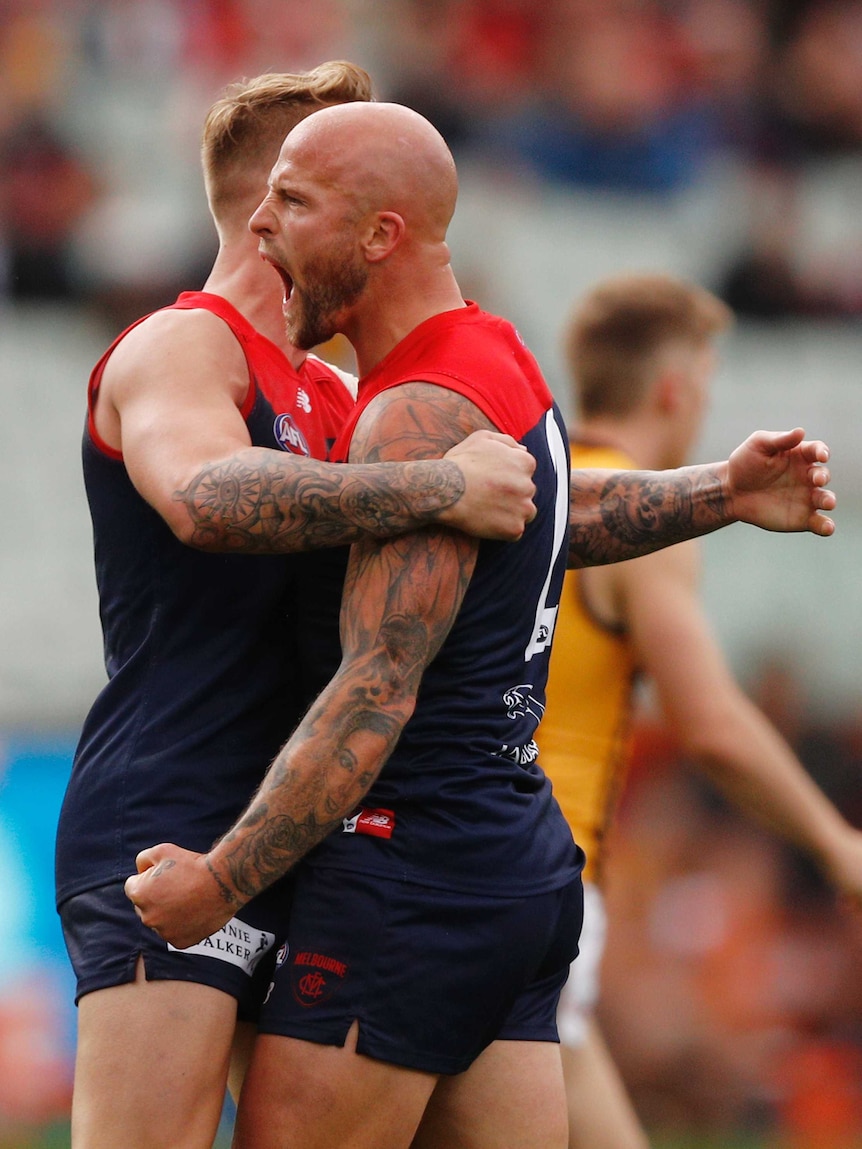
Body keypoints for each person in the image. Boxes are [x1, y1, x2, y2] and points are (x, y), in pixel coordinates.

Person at [125, 103, 835, 1149]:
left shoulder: (412, 411)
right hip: (517, 871)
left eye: (292, 200)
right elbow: (548, 521)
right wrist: (716, 491)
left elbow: (377, 688)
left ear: (380, 236)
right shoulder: (493, 356)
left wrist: (218, 882)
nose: (258, 227)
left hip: (407, 879)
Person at [54, 65, 541, 1149]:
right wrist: (438, 484)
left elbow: (511, 507)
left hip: (300, 833)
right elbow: (203, 498)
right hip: (170, 817)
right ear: (272, 197)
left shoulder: (331, 389)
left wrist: (712, 493)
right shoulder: (182, 346)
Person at [536, 272, 862, 1149]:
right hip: (537, 882)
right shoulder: (645, 522)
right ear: (676, 388)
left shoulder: (540, 495)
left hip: (468, 868)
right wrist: (838, 847)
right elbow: (710, 723)